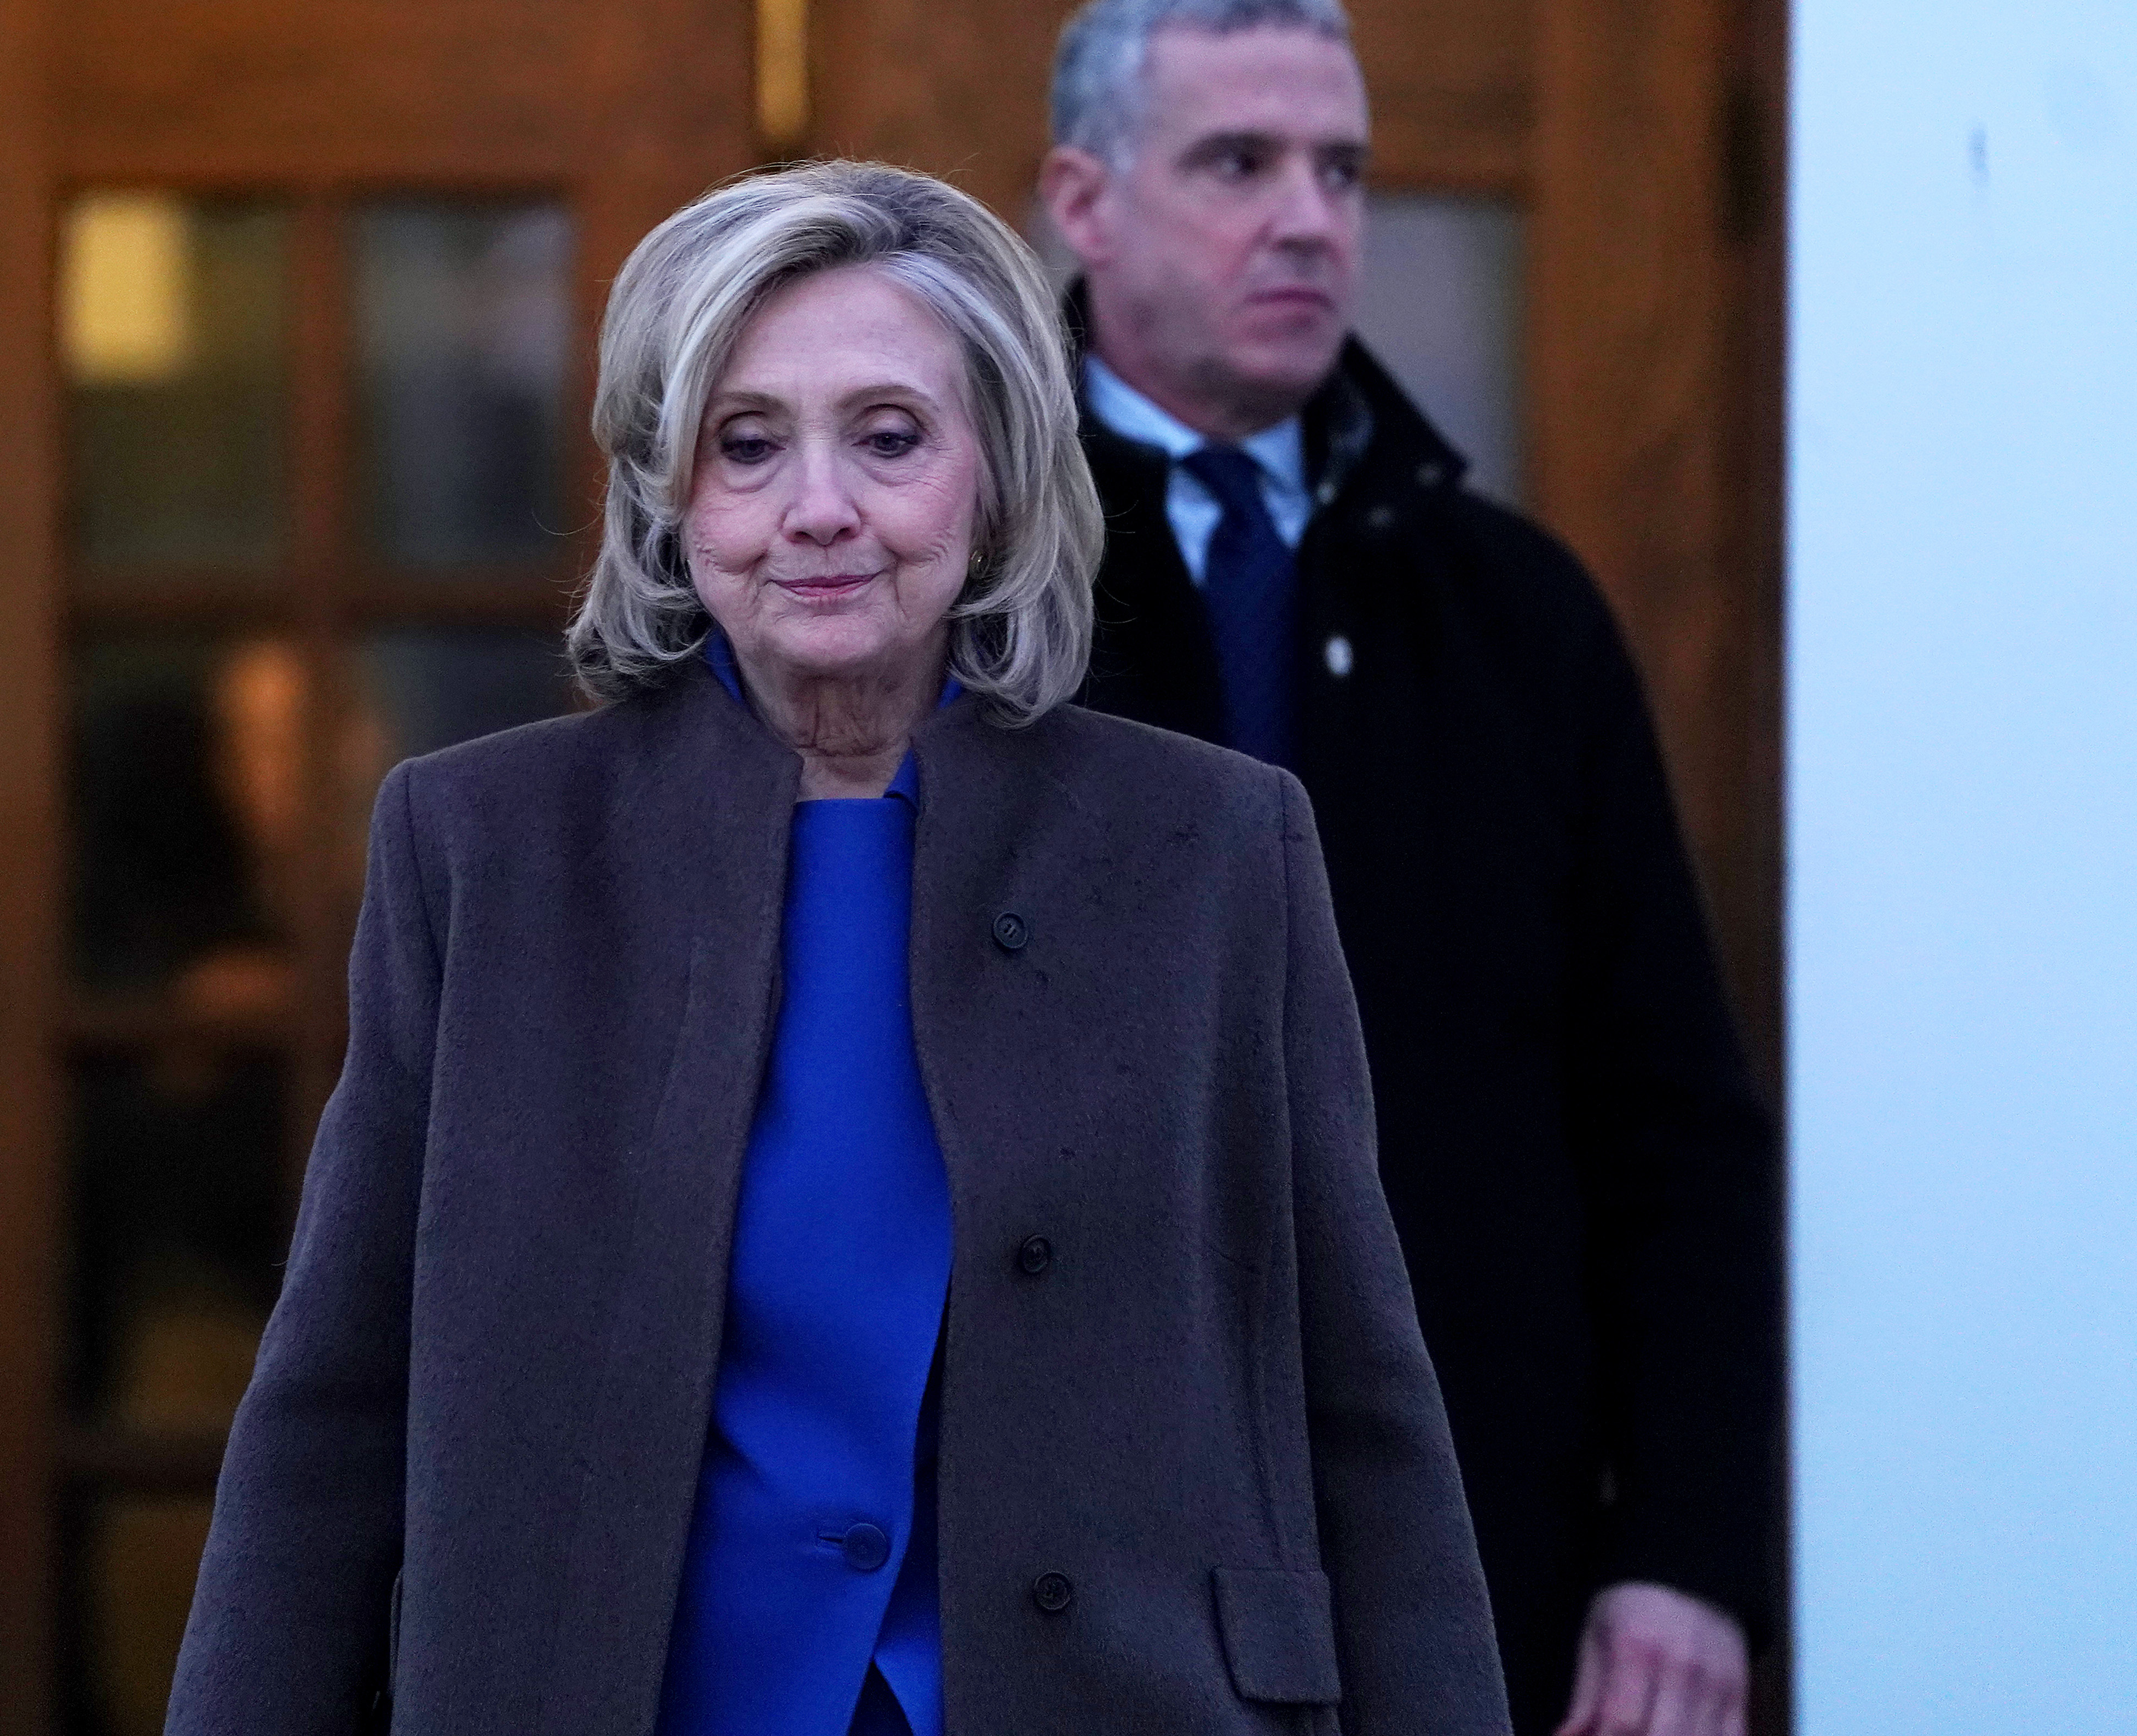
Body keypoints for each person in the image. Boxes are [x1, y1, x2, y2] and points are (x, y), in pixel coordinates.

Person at [167, 160, 1506, 1736]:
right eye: (747, 443)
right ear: (670, 491)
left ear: (995, 473)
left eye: (888, 436)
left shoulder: (1214, 850)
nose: (817, 507)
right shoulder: (482, 850)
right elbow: (335, 1402)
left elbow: (1358, 1399)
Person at [1037, 5, 1783, 1735]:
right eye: (1239, 163)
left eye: (1343, 170)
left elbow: (1671, 1127)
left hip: (1469, 1556)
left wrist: (1683, 1552)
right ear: (1083, 203)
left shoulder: (1513, 615)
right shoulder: (976, 591)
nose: (1309, 219)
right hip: (1058, 1567)